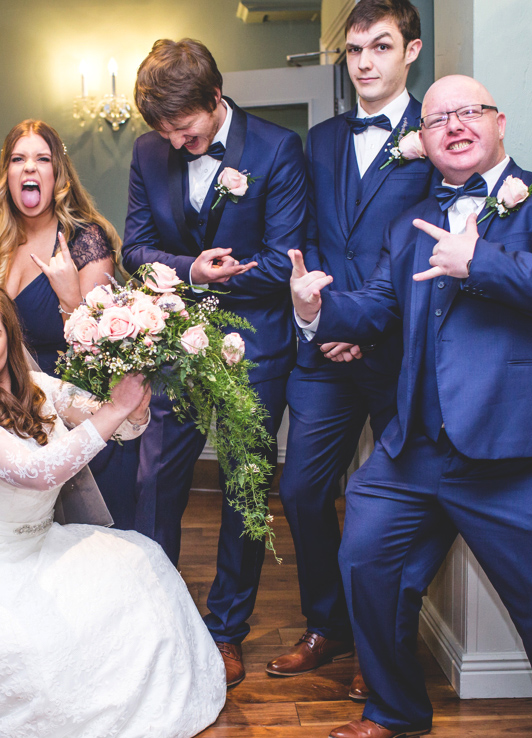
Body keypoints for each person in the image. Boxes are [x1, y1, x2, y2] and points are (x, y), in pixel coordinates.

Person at [290, 75, 532, 738]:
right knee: (366, 563)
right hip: (416, 450)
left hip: (517, 452)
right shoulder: (408, 223)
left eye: (469, 112)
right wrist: (315, 310)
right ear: (425, 141)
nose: (454, 126)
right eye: (437, 120)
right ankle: (395, 711)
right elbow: (376, 306)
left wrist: (479, 259)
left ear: (499, 122)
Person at [0, 284, 226, 737]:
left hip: (40, 545)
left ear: (10, 339)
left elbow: (116, 426)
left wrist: (134, 410)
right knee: (34, 652)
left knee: (143, 562)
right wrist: (116, 409)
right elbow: (36, 472)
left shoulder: (40, 387)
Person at [121, 38, 307, 688]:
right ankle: (156, 617)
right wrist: (189, 271)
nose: (176, 141)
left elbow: (284, 259)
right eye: (165, 131)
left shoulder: (277, 150)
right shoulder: (148, 152)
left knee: (243, 490)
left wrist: (218, 278)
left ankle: (227, 629)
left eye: (185, 126)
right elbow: (135, 249)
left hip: (255, 350)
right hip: (176, 346)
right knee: (154, 482)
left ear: (215, 97)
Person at [270, 0, 435, 700]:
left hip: (399, 353)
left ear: (411, 51)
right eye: (355, 49)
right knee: (301, 490)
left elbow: (429, 246)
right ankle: (327, 625)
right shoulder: (323, 138)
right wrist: (322, 318)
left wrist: (360, 324)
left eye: (380, 46)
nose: (364, 62)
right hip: (323, 351)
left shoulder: (437, 135)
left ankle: (383, 648)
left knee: (399, 508)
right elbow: (310, 237)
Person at [0, 119, 141, 528]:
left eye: (41, 159)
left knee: (84, 540)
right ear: (7, 174)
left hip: (70, 408)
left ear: (57, 173)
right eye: (18, 159)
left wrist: (69, 297)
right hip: (2, 413)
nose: (29, 167)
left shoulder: (85, 239)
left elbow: (101, 349)